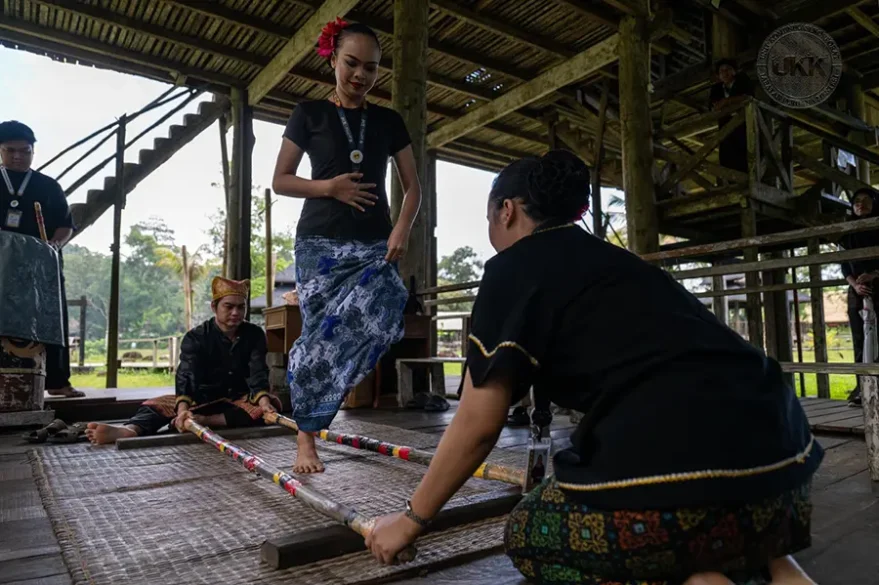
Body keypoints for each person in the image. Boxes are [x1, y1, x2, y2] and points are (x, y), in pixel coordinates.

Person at [364, 150, 822, 585]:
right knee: (719, 508)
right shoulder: (618, 262)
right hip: (787, 475)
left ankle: (694, 576)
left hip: (680, 485)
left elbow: (479, 423)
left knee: (530, 533)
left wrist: (411, 519)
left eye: (489, 218)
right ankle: (780, 566)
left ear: (506, 211)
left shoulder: (512, 268)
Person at [272, 18, 420, 473]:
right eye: (351, 63)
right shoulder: (309, 113)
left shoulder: (388, 120)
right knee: (320, 335)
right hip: (318, 244)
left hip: (374, 242)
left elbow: (414, 186)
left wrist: (402, 229)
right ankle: (306, 440)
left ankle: (315, 381)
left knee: (392, 298)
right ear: (333, 58)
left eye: (371, 68)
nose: (360, 75)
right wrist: (328, 188)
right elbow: (280, 180)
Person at [85, 277, 281, 445]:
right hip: (201, 397)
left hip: (238, 399)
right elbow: (186, 374)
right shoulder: (196, 337)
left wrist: (264, 403)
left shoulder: (254, 334)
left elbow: (257, 371)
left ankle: (205, 420)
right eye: (229, 306)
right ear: (214, 307)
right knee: (157, 405)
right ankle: (131, 429)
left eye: (241, 307)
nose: (236, 312)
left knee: (267, 408)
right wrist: (183, 410)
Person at [0, 120, 82, 398]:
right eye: (11, 150)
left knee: (51, 318)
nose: (18, 156)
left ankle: (58, 382)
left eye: (25, 151)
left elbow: (65, 224)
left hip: (40, 268)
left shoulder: (48, 186)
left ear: (33, 150)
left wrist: (55, 245)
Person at [839, 188, 879, 407]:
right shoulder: (848, 233)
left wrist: (874, 274)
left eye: (865, 200)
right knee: (859, 339)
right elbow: (844, 265)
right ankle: (862, 389)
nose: (860, 204)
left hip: (878, 286)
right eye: (856, 201)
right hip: (857, 291)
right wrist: (855, 284)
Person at [708, 59, 755, 175]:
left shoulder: (743, 80)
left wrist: (726, 101)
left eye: (728, 69)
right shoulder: (716, 89)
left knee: (745, 151)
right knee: (727, 153)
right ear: (719, 75)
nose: (725, 73)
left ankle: (746, 175)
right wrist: (729, 102)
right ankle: (729, 179)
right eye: (721, 71)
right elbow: (713, 106)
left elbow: (748, 97)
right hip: (725, 126)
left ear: (734, 71)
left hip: (744, 123)